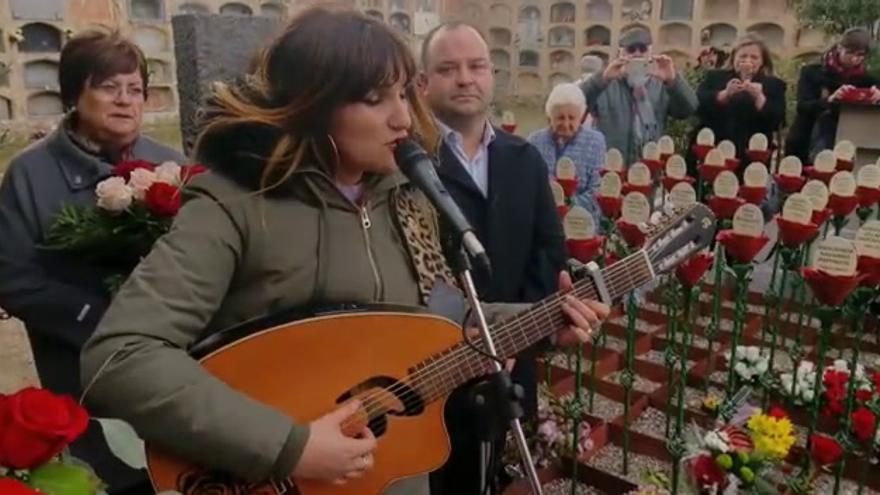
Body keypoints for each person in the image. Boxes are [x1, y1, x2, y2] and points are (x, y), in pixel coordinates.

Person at [79, 8, 609, 495]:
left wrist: (541, 322)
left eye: (404, 94)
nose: (403, 118)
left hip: (385, 474)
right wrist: (290, 446)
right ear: (313, 104)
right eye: (375, 99)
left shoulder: (404, 196)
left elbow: (438, 321)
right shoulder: (237, 203)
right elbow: (121, 358)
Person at [0, 30, 183, 494]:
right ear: (73, 95)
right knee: (109, 476)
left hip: (174, 363)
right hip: (80, 366)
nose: (125, 101)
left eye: (136, 89)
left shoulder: (173, 167)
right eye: (108, 87)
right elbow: (12, 276)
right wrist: (94, 315)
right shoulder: (30, 174)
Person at [419, 21, 568, 494]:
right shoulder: (408, 163)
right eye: (448, 68)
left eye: (477, 66)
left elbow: (548, 252)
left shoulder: (524, 159)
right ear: (423, 82)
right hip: (431, 368)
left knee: (487, 478)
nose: (465, 78)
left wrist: (514, 334)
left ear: (491, 76)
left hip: (511, 361)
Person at [580, 27, 698, 166]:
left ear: (650, 53)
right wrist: (602, 79)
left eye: (642, 49)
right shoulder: (606, 82)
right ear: (620, 53)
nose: (637, 54)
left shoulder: (660, 83)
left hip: (648, 168)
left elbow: (689, 109)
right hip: (611, 168)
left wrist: (673, 81)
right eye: (631, 49)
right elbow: (576, 105)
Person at [786, 28, 880, 163]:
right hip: (808, 141)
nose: (854, 59)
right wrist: (830, 99)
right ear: (839, 47)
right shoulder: (813, 72)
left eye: (860, 55)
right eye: (849, 53)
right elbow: (803, 107)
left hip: (848, 143)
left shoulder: (866, 79)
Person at [692, 34, 787, 166]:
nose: (748, 60)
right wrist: (724, 94)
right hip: (714, 148)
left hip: (751, 154)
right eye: (743, 56)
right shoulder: (715, 77)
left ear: (762, 61)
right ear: (734, 58)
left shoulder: (774, 85)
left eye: (754, 57)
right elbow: (697, 105)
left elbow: (778, 120)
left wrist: (760, 98)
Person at [528, 82, 606, 222]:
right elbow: (528, 186)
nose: (566, 123)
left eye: (571, 118)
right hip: (543, 220)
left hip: (581, 224)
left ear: (580, 118)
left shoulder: (595, 141)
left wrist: (568, 205)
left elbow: (597, 189)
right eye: (560, 117)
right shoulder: (534, 142)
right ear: (550, 117)